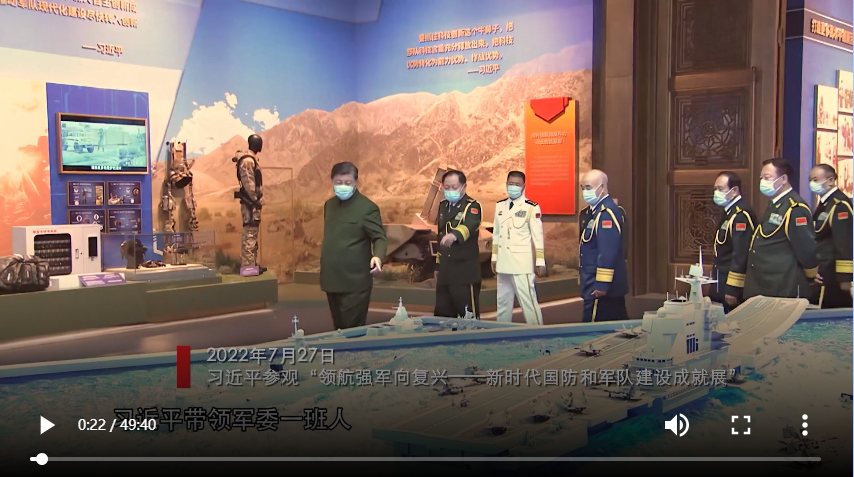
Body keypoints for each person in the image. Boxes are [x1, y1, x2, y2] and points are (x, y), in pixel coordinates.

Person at [320, 162, 387, 329]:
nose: (343, 186)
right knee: (338, 328)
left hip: (355, 282)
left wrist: (378, 257)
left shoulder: (367, 208)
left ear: (356, 182)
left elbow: (379, 237)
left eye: (347, 183)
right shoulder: (329, 205)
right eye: (338, 182)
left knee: (352, 331)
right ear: (332, 181)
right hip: (332, 279)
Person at [744, 158, 818, 299]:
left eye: (767, 178)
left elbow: (805, 247)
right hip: (765, 281)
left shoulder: (794, 208)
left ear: (783, 179)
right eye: (761, 178)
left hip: (782, 283)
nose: (762, 182)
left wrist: (812, 274)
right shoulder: (775, 205)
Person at [491, 171, 545, 325]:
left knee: (528, 302)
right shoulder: (500, 206)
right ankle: (502, 333)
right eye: (511, 184)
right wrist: (494, 257)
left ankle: (538, 333)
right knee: (502, 303)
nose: (513, 187)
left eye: (517, 184)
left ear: (523, 186)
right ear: (506, 184)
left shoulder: (531, 207)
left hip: (521, 264)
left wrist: (540, 261)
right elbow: (497, 234)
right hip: (503, 262)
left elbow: (538, 237)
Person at [578, 169, 628, 322]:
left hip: (600, 288)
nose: (585, 192)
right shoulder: (591, 213)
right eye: (583, 188)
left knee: (595, 326)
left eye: (589, 187)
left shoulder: (606, 214)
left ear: (602, 187)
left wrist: (602, 284)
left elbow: (608, 252)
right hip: (591, 281)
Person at [435, 170, 483, 318]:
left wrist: (454, 235)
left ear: (463, 187)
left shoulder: (472, 206)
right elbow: (440, 234)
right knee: (442, 316)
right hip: (446, 272)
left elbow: (469, 225)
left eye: (454, 187)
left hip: (464, 273)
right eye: (447, 187)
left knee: (468, 317)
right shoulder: (443, 205)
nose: (450, 191)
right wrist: (438, 265)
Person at [709, 171, 756, 312]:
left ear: (734, 190)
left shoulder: (741, 215)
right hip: (721, 275)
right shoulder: (730, 212)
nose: (716, 193)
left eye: (720, 189)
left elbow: (740, 254)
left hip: (731, 280)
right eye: (715, 189)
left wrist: (733, 288)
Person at [808, 164, 853, 308]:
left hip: (833, 273)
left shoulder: (839, 205)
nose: (812, 184)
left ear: (831, 180)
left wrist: (845, 277)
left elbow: (845, 242)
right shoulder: (825, 203)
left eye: (816, 180)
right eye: (810, 180)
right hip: (822, 268)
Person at [233, 134, 264, 269]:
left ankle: (252, 264)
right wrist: (255, 200)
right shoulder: (248, 161)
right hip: (250, 205)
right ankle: (248, 267)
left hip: (252, 204)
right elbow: (249, 183)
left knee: (252, 235)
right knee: (249, 235)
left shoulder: (251, 160)